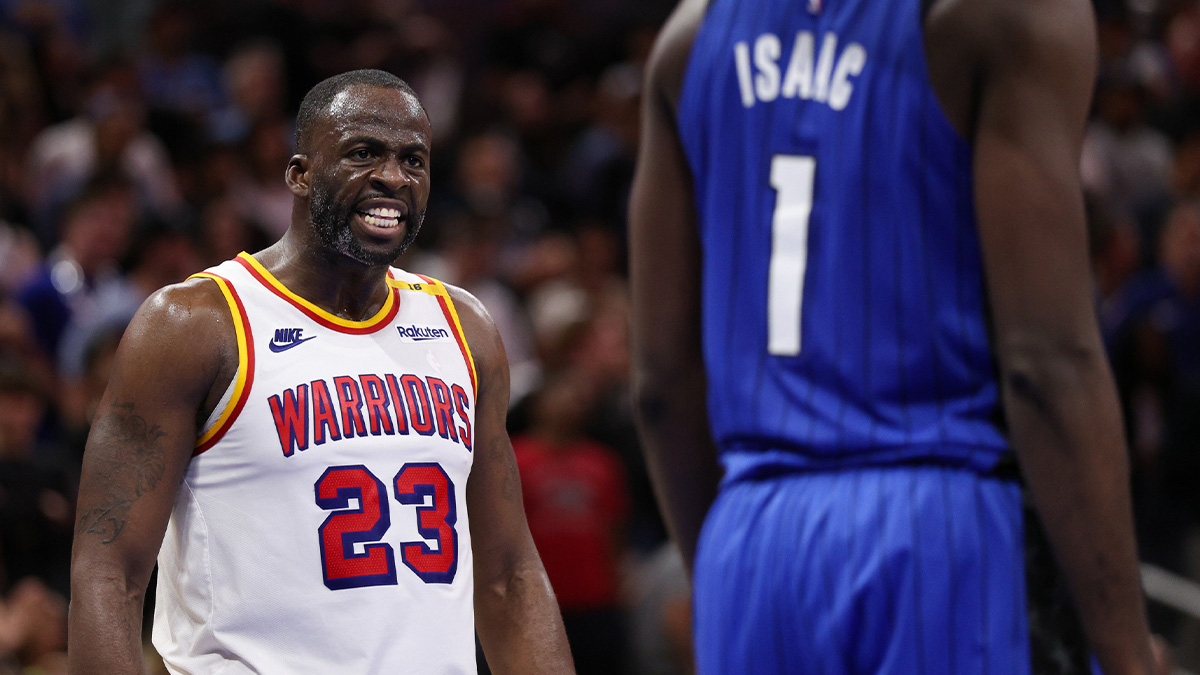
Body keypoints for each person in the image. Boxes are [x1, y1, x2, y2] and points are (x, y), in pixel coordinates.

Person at [629, 0, 1164, 673]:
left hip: (751, 536)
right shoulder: (1005, 12)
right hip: (938, 526)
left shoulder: (689, 36)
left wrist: (726, 582)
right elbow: (1047, 361)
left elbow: (660, 383)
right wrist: (1127, 651)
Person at [69, 69, 574, 674]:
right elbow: (109, 572)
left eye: (414, 160)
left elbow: (509, 575)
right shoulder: (195, 325)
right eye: (364, 153)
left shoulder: (464, 328)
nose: (393, 177)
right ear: (299, 173)